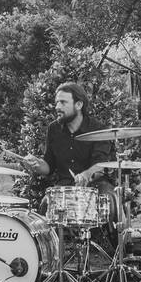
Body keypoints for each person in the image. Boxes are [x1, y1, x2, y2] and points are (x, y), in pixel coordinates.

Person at [17, 82, 117, 213]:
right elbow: (49, 167)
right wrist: (36, 164)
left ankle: (114, 233)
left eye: (63, 103)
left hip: (96, 185)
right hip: (65, 186)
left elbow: (101, 165)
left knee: (109, 201)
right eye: (57, 102)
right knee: (46, 204)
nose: (57, 107)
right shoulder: (53, 129)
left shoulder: (98, 129)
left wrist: (86, 175)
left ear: (79, 105)